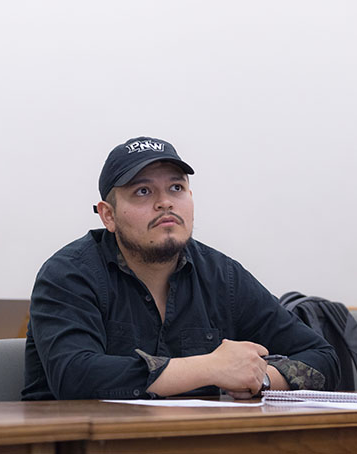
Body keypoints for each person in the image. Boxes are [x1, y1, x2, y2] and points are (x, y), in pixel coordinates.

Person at [22, 137, 340, 400]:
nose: (165, 203)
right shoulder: (69, 274)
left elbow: (322, 358)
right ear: (108, 215)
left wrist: (261, 378)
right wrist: (210, 368)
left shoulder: (222, 276)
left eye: (176, 188)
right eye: (143, 191)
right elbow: (76, 377)